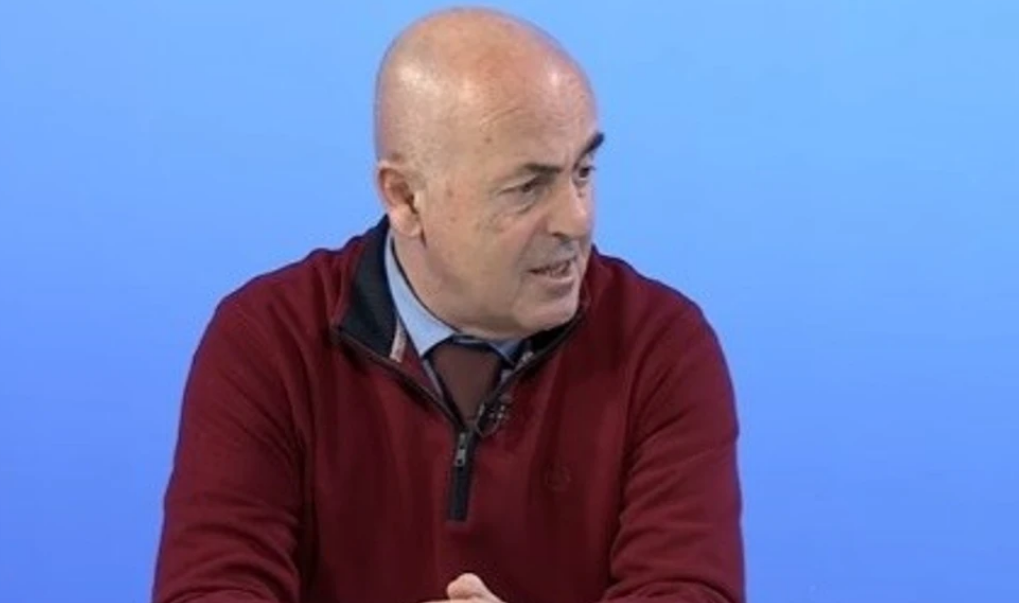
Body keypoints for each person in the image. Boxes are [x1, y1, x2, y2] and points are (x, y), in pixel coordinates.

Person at [151, 6, 745, 603]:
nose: (577, 220)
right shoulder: (270, 341)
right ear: (406, 198)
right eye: (528, 187)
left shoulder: (660, 346)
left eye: (584, 171)